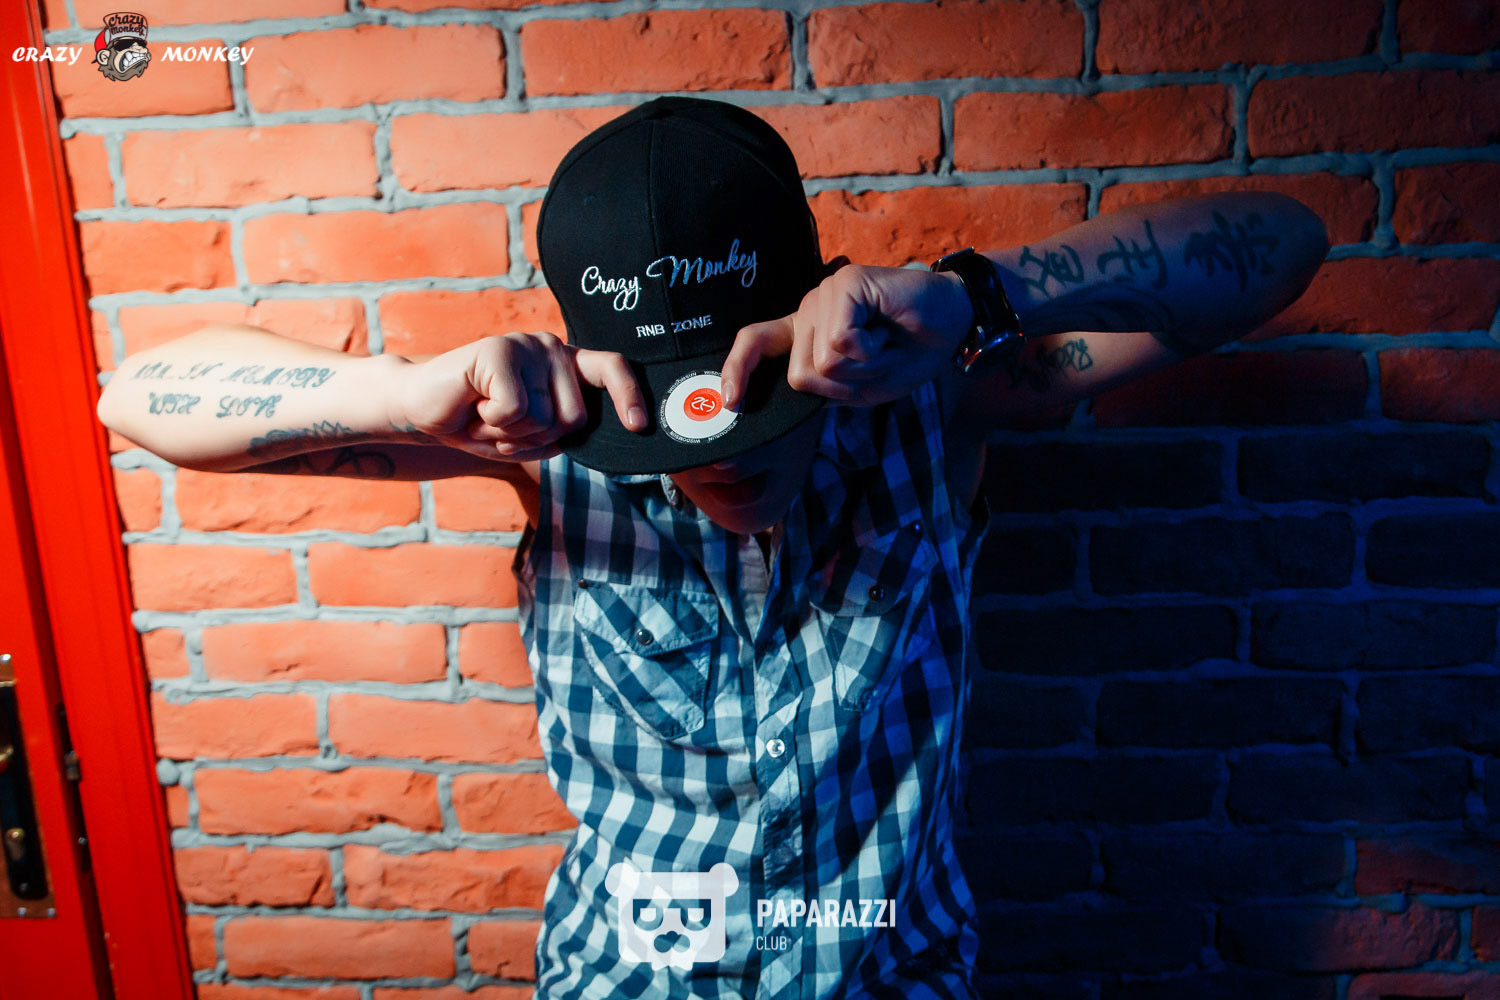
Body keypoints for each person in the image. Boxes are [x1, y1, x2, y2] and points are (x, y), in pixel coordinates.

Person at [96, 97, 1329, 999]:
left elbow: (1281, 244)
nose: (719, 449)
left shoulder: (934, 404)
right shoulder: (542, 451)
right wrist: (400, 396)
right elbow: (136, 397)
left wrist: (973, 293)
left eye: (747, 395)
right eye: (672, 411)